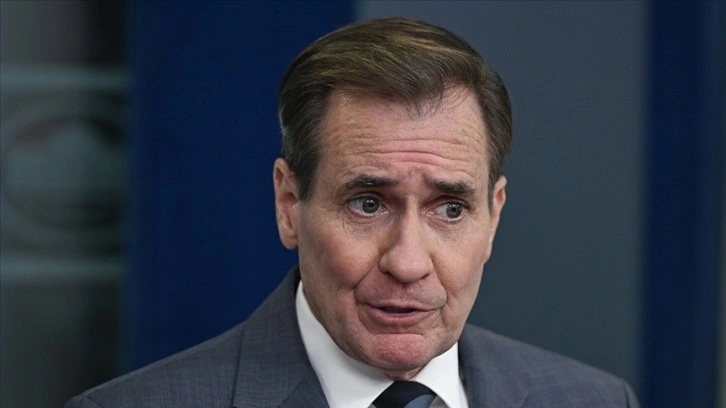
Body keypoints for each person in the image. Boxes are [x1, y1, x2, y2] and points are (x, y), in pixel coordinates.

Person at [67, 17, 640, 408]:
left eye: (450, 208)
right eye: (367, 204)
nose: (408, 262)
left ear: (493, 217)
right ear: (289, 206)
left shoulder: (594, 400)